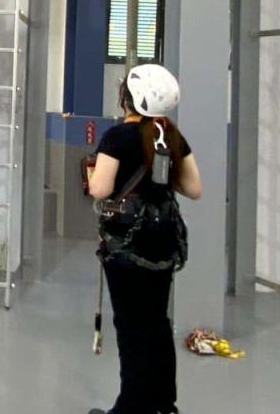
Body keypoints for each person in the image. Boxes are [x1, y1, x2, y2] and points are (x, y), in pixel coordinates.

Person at [87, 64, 203, 414]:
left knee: (131, 326)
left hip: (127, 243)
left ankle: (131, 407)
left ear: (129, 99)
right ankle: (164, 405)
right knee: (157, 322)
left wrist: (94, 173)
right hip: (163, 240)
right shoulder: (172, 136)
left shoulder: (117, 137)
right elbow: (194, 188)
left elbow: (100, 189)